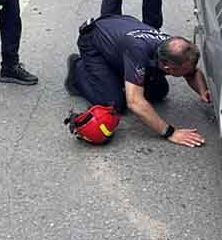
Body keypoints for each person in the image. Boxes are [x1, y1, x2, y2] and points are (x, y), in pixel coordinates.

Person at [65, 15, 209, 148]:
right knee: (114, 104)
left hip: (119, 37)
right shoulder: (139, 51)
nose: (191, 72)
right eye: (185, 71)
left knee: (159, 91)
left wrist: (203, 92)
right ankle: (77, 69)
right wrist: (171, 133)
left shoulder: (174, 48)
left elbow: (193, 73)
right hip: (93, 41)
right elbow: (134, 103)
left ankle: (115, 73)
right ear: (167, 66)